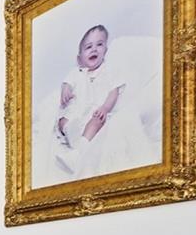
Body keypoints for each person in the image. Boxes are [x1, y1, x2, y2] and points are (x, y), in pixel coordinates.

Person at [51, 24, 155, 179]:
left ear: (105, 50)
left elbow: (114, 91)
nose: (94, 49)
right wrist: (65, 90)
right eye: (88, 47)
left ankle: (77, 155)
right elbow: (67, 83)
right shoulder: (77, 72)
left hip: (93, 113)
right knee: (62, 121)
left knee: (96, 121)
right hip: (75, 117)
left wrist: (105, 108)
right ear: (79, 59)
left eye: (99, 45)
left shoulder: (108, 71)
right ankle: (75, 145)